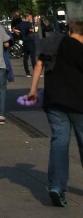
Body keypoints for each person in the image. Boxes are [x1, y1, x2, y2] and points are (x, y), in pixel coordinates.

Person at [25, 20, 83, 208]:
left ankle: (57, 187)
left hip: (54, 100)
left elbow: (38, 65)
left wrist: (33, 90)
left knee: (59, 141)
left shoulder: (54, 42)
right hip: (78, 103)